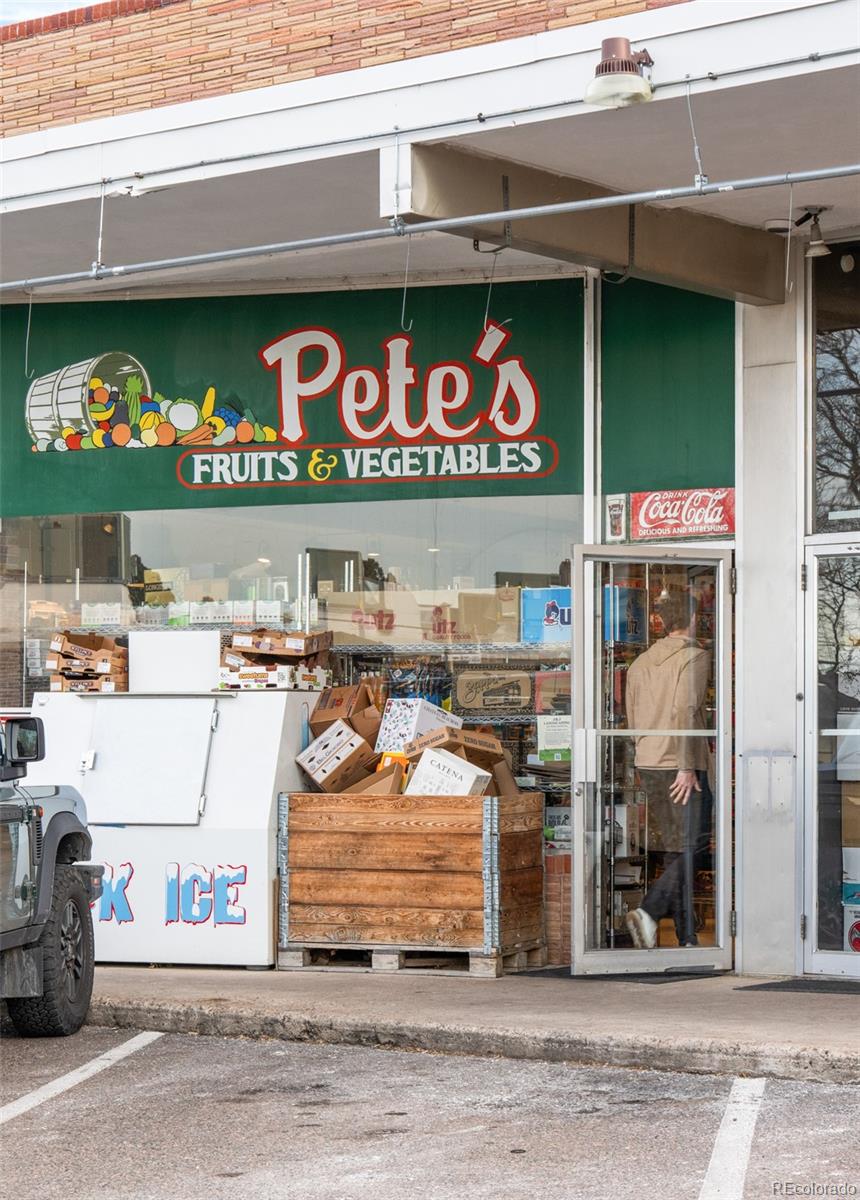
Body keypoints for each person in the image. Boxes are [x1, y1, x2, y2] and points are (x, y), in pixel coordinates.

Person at [624, 588, 713, 949]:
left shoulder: (641, 662)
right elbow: (686, 711)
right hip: (680, 763)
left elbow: (631, 715)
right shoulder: (694, 657)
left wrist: (643, 753)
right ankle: (649, 910)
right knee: (696, 846)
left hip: (649, 760)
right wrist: (686, 765)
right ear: (692, 619)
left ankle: (687, 937)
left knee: (679, 849)